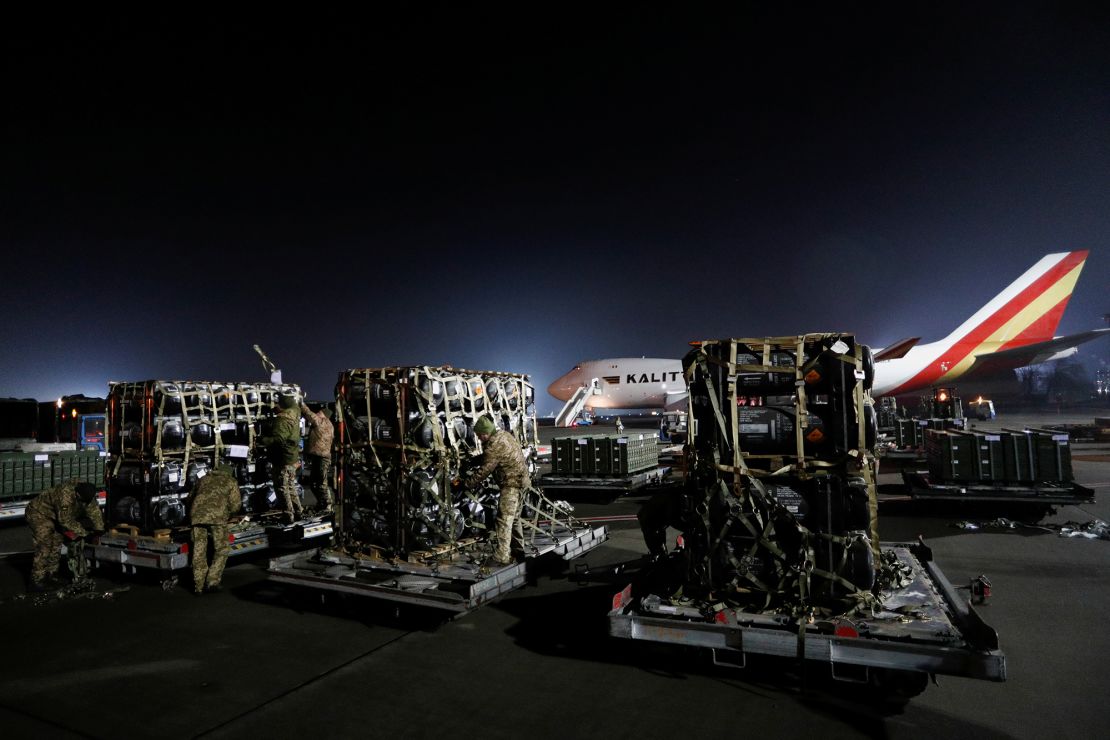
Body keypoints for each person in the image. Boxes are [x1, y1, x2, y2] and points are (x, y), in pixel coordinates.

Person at [466, 415, 529, 567]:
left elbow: (485, 470)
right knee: (514, 519)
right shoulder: (504, 435)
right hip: (523, 482)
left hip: (512, 484)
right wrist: (476, 460)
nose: (480, 439)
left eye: (480, 435)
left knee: (504, 520)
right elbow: (494, 456)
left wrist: (468, 483)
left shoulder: (492, 445)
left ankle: (501, 556)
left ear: (486, 433)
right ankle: (518, 550)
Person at [25, 480, 103, 591]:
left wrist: (99, 530)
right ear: (77, 494)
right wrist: (84, 533)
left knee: (57, 543)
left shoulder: (87, 493)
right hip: (39, 514)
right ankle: (37, 580)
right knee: (45, 546)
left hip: (55, 515)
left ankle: (51, 575)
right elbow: (65, 520)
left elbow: (94, 511)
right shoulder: (65, 495)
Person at [189, 464, 242, 594]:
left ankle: (198, 586)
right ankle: (212, 581)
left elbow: (190, 497)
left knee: (199, 551)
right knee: (222, 549)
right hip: (217, 518)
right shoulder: (231, 481)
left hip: (197, 516)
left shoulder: (203, 479)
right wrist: (229, 514)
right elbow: (236, 505)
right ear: (229, 473)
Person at [259, 393, 303, 522]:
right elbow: (294, 405)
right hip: (292, 457)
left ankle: (288, 515)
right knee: (291, 486)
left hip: (282, 459)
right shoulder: (295, 413)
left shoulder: (282, 420)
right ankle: (299, 511)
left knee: (282, 488)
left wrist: (263, 440)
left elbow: (278, 439)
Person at [300, 401, 335, 513]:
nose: (318, 413)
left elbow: (308, 413)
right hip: (318, 456)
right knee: (314, 483)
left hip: (322, 458)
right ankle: (322, 503)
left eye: (319, 412)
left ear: (324, 415)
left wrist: (301, 403)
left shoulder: (322, 422)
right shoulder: (329, 424)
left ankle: (328, 505)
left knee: (321, 483)